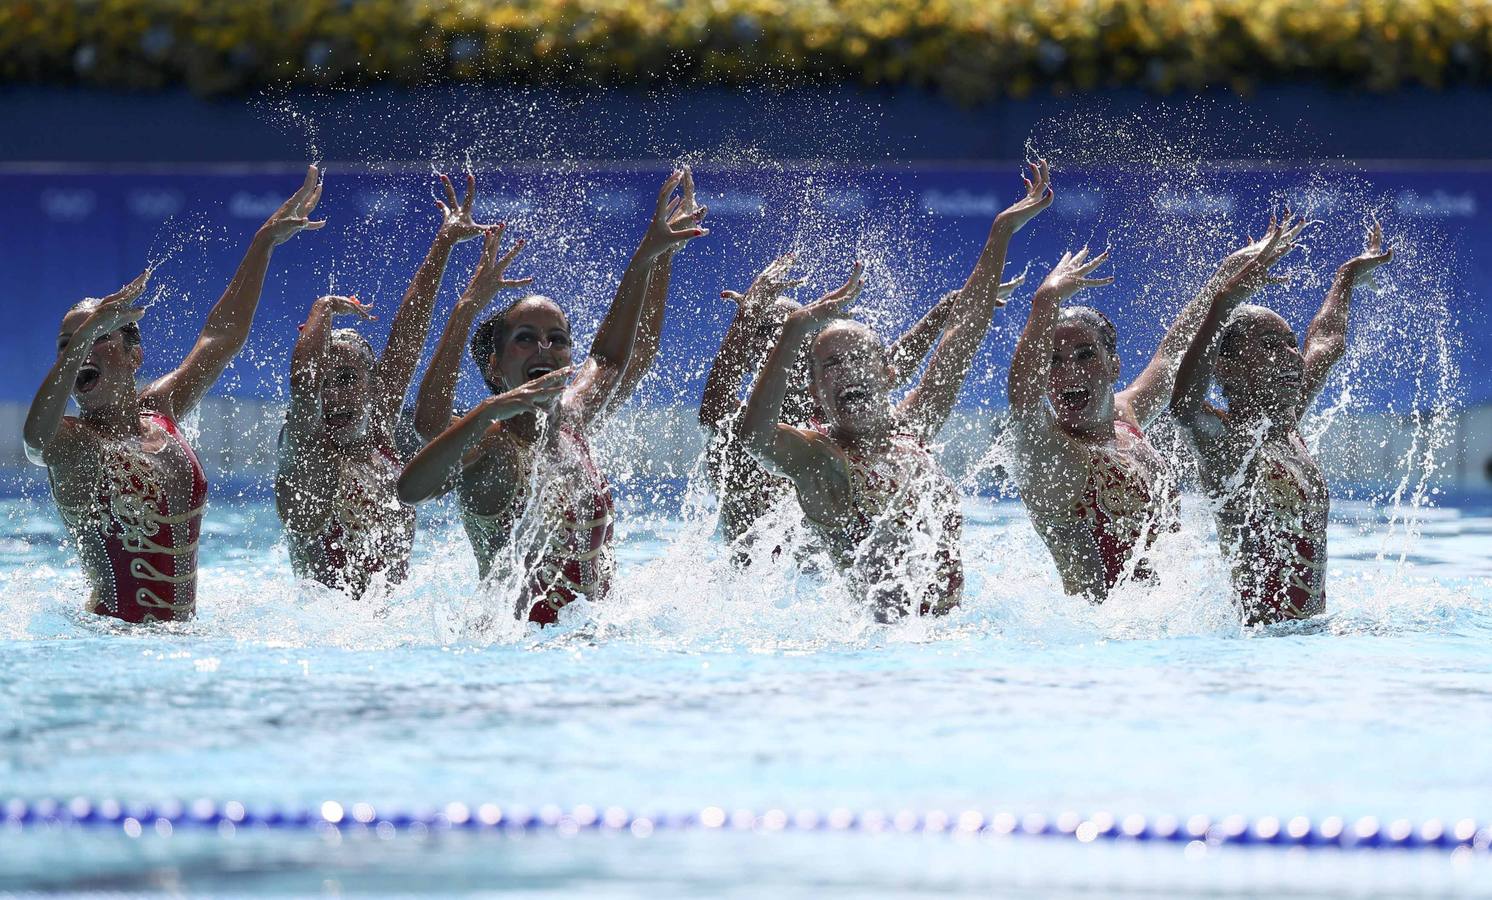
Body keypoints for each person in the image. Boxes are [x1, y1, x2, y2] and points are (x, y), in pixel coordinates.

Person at [738, 162, 1053, 621]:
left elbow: (963, 333)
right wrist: (794, 330)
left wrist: (1001, 233)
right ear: (814, 390)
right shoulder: (820, 458)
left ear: (888, 373)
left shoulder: (912, 428)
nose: (848, 373)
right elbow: (755, 438)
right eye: (832, 365)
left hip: (943, 642)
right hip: (883, 646)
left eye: (859, 360)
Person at [398, 168, 706, 624]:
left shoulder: (573, 418)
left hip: (588, 653)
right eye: (526, 338)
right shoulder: (490, 441)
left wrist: (649, 257)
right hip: (515, 650)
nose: (545, 349)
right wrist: (466, 316)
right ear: (494, 366)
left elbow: (614, 358)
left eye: (557, 339)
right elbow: (412, 485)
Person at [23, 166, 325, 623]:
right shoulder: (71, 441)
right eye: (66, 344)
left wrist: (263, 242)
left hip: (179, 647)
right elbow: (33, 441)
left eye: (96, 337)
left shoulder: (158, 412)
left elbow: (220, 339)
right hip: (111, 643)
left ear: (133, 356)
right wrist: (86, 337)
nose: (78, 349)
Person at [1003, 212, 1310, 600]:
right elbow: (1023, 400)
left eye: (1084, 355)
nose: (1068, 372)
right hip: (1102, 640)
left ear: (1114, 365)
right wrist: (1045, 301)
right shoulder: (1054, 453)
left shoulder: (1124, 416)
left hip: (1161, 635)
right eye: (1053, 359)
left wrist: (1227, 274)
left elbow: (1171, 356)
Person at [700, 253, 1022, 558]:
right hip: (750, 579)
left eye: (794, 330)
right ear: (749, 343)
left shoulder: (819, 408)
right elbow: (714, 410)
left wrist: (944, 311)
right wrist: (748, 316)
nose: (783, 340)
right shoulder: (739, 428)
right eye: (770, 331)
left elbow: (877, 373)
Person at [276, 174, 493, 597]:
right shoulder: (307, 448)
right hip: (324, 638)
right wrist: (324, 306)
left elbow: (407, 338)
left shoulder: (378, 435)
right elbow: (303, 385)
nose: (332, 395)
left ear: (373, 386)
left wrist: (443, 243)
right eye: (325, 383)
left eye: (346, 380)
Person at [1171, 216, 1390, 624]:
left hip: (1305, 642)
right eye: (1271, 346)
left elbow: (1327, 341)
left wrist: (1346, 277)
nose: (1292, 356)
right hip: (1258, 646)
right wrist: (1222, 302)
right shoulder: (1226, 441)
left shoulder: (1283, 427)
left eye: (1291, 345)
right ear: (1228, 368)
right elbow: (1182, 403)